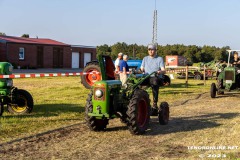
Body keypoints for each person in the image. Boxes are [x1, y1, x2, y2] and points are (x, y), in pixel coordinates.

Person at [140, 43, 166, 115]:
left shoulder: (159, 59)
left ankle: (155, 103)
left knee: (154, 82)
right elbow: (142, 68)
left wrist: (159, 71)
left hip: (155, 76)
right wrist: (139, 70)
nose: (150, 51)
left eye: (152, 50)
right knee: (137, 83)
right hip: (146, 76)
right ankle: (140, 100)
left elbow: (164, 70)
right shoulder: (145, 58)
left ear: (155, 50)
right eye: (149, 50)